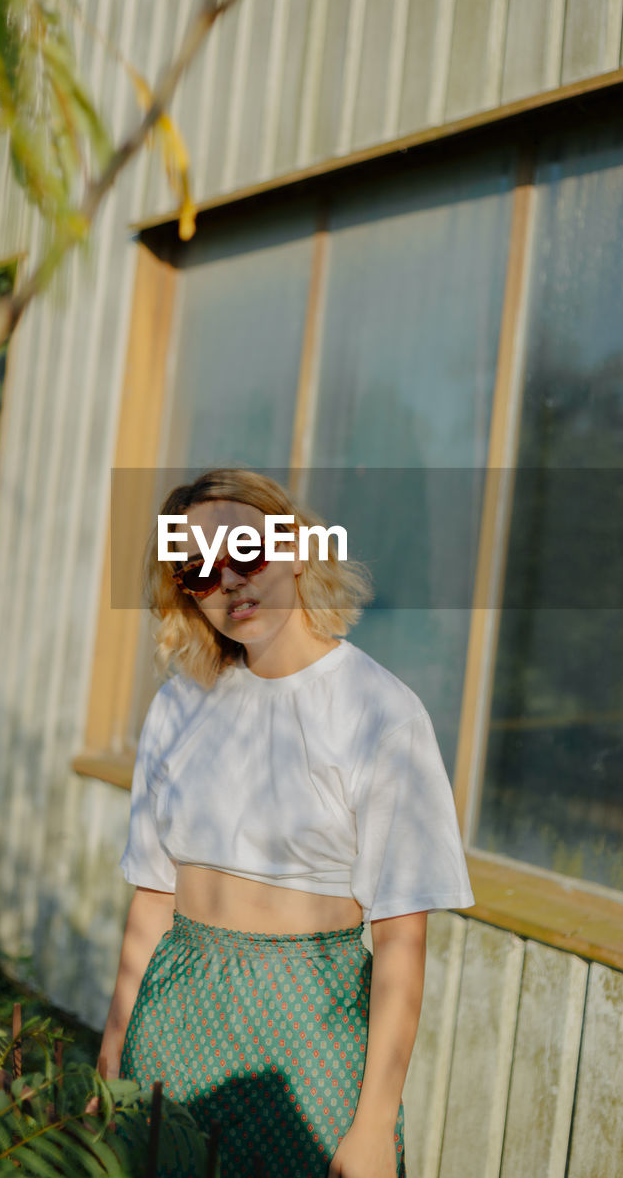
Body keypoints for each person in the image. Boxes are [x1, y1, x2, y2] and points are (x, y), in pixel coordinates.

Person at [97, 468, 474, 1178]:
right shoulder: (178, 706)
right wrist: (114, 1041)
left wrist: (371, 1128)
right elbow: (152, 898)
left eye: (247, 552)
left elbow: (400, 940)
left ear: (296, 548)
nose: (231, 582)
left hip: (307, 1043)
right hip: (173, 1022)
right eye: (201, 571)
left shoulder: (380, 712)